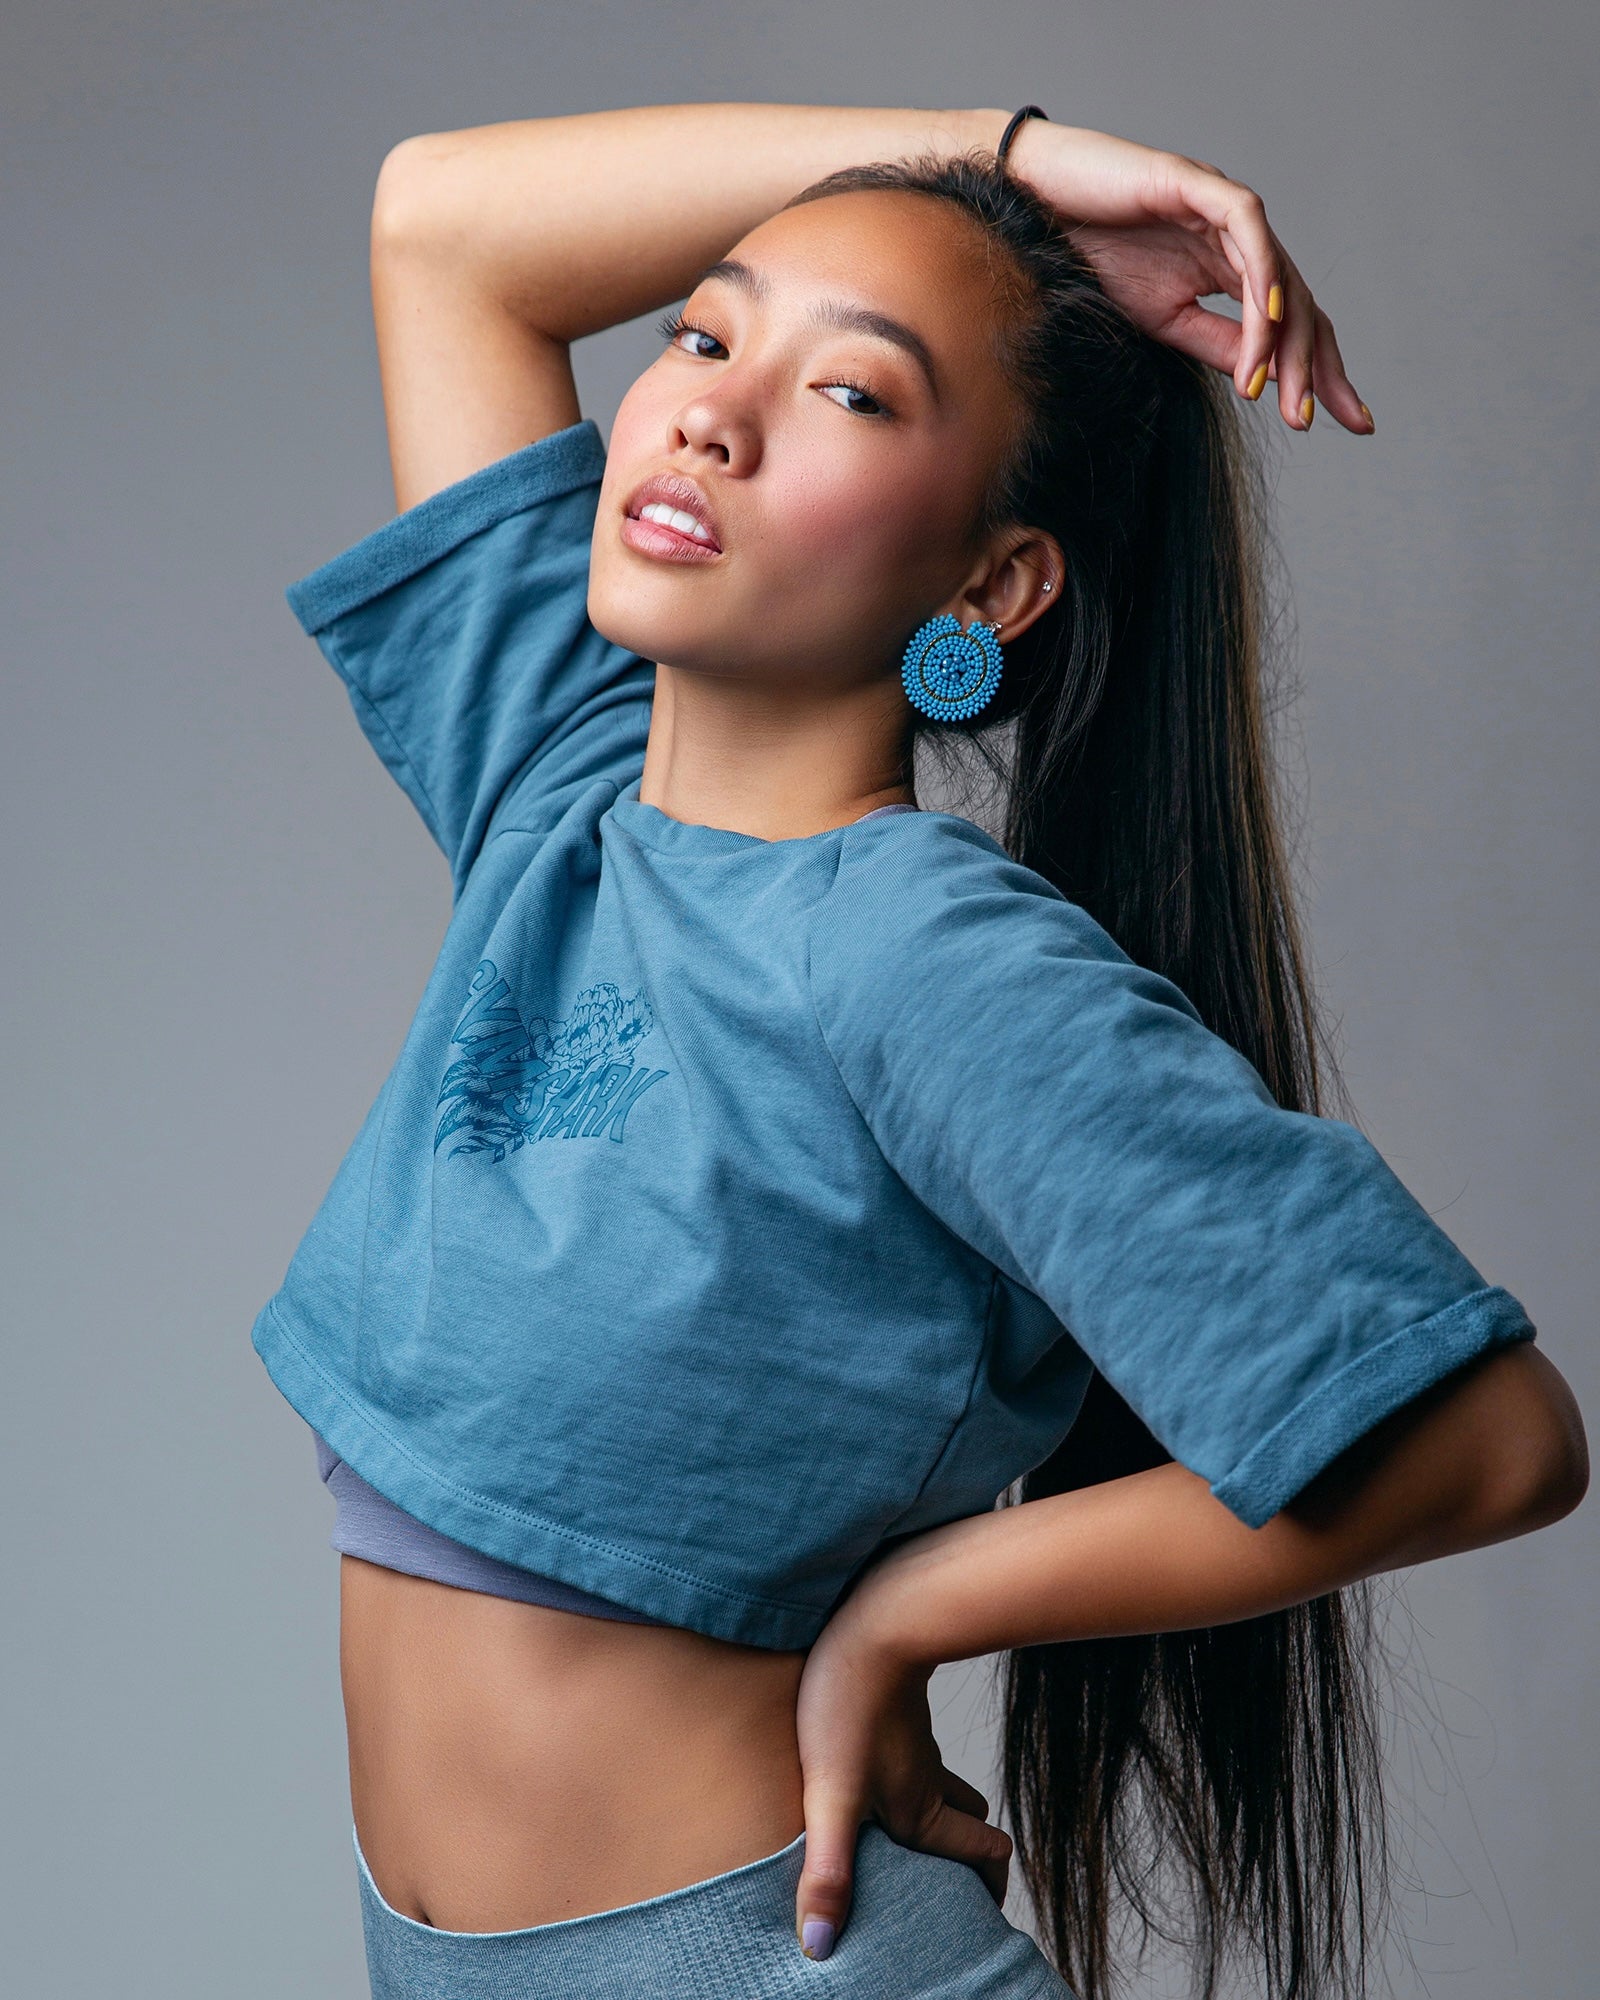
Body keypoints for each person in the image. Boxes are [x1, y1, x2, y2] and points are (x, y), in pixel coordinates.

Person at [253, 102, 1589, 2000]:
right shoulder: (557, 798)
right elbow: (444, 226)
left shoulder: (915, 951)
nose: (709, 416)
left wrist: (913, 1610)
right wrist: (1004, 159)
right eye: (703, 336)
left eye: (852, 394)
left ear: (990, 588)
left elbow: (1493, 1439)